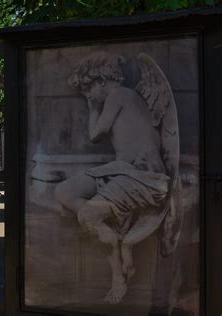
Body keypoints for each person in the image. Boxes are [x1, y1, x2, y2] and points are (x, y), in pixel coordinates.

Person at [54, 51, 178, 303]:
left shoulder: (119, 94)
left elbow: (97, 132)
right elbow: (95, 136)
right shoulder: (118, 98)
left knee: (87, 215)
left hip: (143, 176)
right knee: (63, 191)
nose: (87, 94)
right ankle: (114, 234)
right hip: (123, 169)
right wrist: (92, 106)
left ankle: (119, 271)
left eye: (88, 88)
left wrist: (93, 107)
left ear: (102, 79)